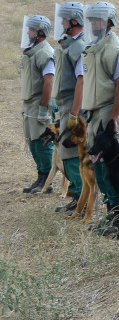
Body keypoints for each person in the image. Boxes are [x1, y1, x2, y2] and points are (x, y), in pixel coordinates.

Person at [80, 1, 119, 234]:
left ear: (109, 21)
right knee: (99, 168)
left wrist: (114, 118)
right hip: (94, 116)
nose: (93, 24)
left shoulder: (114, 47)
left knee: (114, 169)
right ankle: (111, 214)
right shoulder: (92, 47)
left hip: (107, 114)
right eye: (91, 20)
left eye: (98, 19)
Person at [53, 1, 88, 211]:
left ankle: (80, 198)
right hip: (65, 104)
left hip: (73, 106)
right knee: (67, 154)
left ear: (73, 20)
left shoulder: (78, 47)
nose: (62, 23)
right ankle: (77, 195)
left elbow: (81, 81)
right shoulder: (70, 45)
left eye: (64, 19)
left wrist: (74, 114)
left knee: (72, 152)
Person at [19, 15, 57, 194]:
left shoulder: (44, 52)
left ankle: (47, 181)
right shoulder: (33, 50)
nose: (28, 32)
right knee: (33, 142)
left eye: (31, 29)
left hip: (39, 102)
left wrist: (44, 107)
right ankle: (40, 177)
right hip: (30, 103)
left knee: (42, 142)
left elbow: (49, 81)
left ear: (41, 32)